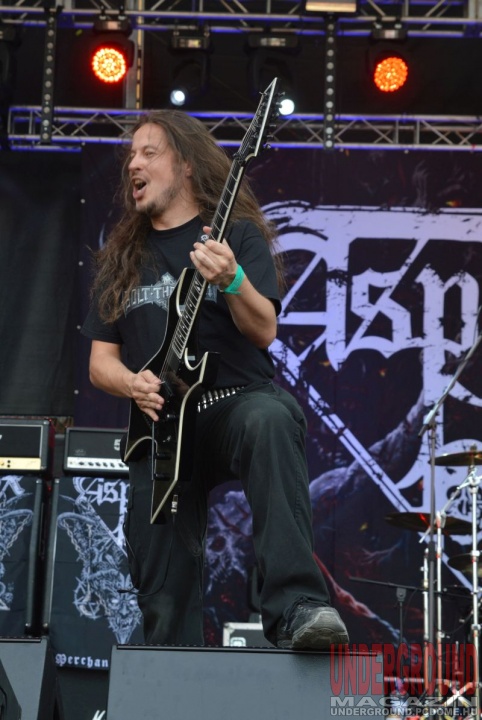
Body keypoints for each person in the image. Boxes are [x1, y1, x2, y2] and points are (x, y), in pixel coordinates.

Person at [81, 109, 349, 650]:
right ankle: (170, 668)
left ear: (185, 163)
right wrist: (131, 384)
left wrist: (232, 279)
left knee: (271, 418)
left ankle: (298, 607)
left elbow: (264, 329)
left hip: (233, 403)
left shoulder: (235, 237)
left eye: (149, 152)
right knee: (162, 588)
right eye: (131, 156)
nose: (133, 164)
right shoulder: (122, 259)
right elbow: (99, 362)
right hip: (161, 424)